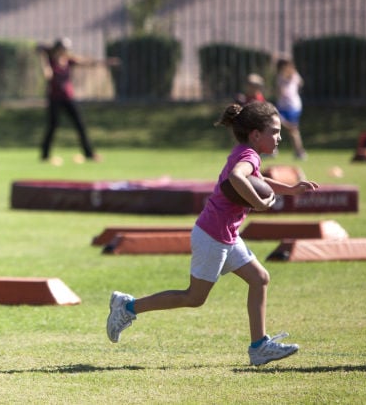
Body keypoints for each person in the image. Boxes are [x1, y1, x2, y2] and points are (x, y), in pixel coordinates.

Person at [106, 101, 319, 366]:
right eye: (274, 131)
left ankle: (259, 346)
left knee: (260, 278)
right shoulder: (248, 156)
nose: (279, 137)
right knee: (194, 298)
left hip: (225, 234)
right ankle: (127, 307)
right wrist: (260, 203)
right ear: (255, 134)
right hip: (213, 237)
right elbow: (237, 178)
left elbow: (257, 180)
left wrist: (290, 189)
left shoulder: (247, 152)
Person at [37, 37, 111, 164]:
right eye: (63, 49)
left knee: (80, 124)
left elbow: (85, 62)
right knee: (52, 126)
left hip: (68, 97)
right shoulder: (50, 61)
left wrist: (104, 62)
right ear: (58, 49)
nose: (65, 51)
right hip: (55, 98)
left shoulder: (68, 60)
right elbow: (47, 74)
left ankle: (89, 153)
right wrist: (44, 61)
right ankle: (45, 154)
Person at [275, 58, 307, 160]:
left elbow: (299, 83)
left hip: (292, 106)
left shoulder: (293, 75)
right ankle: (272, 150)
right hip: (283, 106)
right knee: (275, 126)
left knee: (292, 129)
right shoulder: (280, 76)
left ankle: (300, 152)